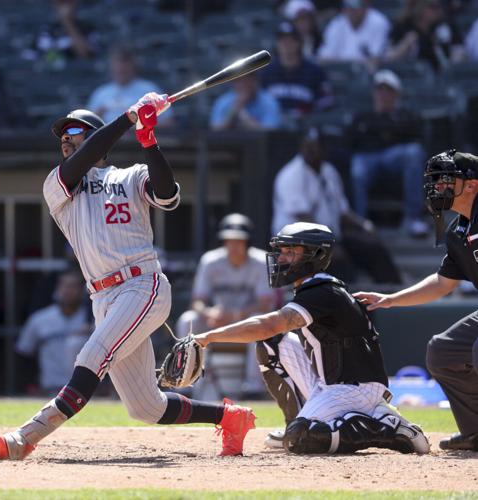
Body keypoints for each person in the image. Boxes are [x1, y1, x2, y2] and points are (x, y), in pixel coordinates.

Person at [0, 94, 255, 461]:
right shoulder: (58, 186)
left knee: (93, 353)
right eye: (61, 136)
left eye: (75, 132)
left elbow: (167, 193)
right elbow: (85, 156)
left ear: (98, 138)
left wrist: (148, 141)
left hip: (142, 285)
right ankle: (230, 417)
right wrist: (129, 117)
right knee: (145, 406)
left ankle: (28, 434)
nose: (65, 139)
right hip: (103, 297)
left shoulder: (129, 176)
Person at [193, 222, 430, 455]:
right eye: (282, 252)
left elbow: (268, 324)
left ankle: (387, 428)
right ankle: (298, 421)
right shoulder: (314, 287)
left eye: (290, 252)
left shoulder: (322, 291)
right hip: (331, 383)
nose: (282, 258)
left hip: (356, 388)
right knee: (273, 343)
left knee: (301, 439)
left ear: (314, 255)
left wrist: (207, 337)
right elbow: (272, 333)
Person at [355, 150, 478, 452]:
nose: (438, 188)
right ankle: (476, 432)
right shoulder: (458, 230)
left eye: (446, 180)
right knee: (444, 351)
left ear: (472, 185)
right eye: (435, 182)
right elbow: (442, 283)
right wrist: (390, 300)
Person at [273, 128, 402, 284]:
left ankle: (394, 294)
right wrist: (328, 244)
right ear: (302, 147)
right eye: (308, 146)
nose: (312, 151)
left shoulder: (329, 171)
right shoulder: (290, 175)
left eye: (316, 146)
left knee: (373, 248)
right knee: (338, 260)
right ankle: (350, 303)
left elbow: (342, 212)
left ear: (325, 149)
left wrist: (364, 226)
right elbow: (304, 221)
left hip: (331, 236)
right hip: (299, 244)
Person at [175, 213, 275, 398]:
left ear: (248, 242)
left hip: (247, 321)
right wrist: (207, 312)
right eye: (229, 241)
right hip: (216, 320)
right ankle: (187, 381)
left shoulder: (261, 261)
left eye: (239, 241)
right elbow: (197, 301)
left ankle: (254, 389)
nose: (234, 246)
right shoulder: (211, 261)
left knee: (260, 324)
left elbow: (266, 304)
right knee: (187, 321)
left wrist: (235, 315)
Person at [349, 69, 428, 238]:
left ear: (397, 94)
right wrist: (386, 131)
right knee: (357, 169)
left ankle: (413, 218)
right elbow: (353, 140)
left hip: (394, 157)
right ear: (374, 93)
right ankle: (361, 223)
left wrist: (379, 130)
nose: (383, 94)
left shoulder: (406, 115)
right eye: (380, 90)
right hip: (368, 156)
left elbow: (414, 135)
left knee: (414, 153)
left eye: (388, 90)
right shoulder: (363, 116)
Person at [16, 270, 93, 395]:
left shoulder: (94, 318)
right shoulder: (40, 319)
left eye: (73, 286)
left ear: (82, 291)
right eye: (64, 285)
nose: (68, 291)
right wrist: (29, 385)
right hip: (49, 389)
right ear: (57, 288)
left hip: (85, 391)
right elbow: (24, 354)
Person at [262, 21, 332, 120]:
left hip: (305, 125)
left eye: (291, 40)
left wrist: (310, 111)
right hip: (272, 126)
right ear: (277, 43)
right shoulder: (267, 72)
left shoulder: (314, 71)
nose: (287, 44)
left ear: (299, 43)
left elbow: (326, 100)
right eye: (282, 40)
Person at [86, 45, 169, 124]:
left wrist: (142, 125)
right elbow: (87, 126)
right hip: (109, 137)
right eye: (118, 62)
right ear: (111, 65)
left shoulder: (149, 90)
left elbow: (168, 122)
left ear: (133, 65)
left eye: (125, 62)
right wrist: (97, 117)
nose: (121, 67)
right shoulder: (101, 93)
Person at [387, 0, 464, 72]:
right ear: (420, 7)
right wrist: (405, 44)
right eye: (433, 7)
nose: (438, 11)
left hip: (442, 76)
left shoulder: (446, 25)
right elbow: (389, 58)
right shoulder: (402, 26)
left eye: (439, 6)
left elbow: (459, 51)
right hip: (412, 76)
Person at [22, 0, 99, 70]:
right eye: (60, 3)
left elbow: (86, 55)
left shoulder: (87, 29)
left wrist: (67, 22)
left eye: (68, 2)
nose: (64, 7)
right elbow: (29, 59)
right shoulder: (44, 30)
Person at [317, 0, 390, 71]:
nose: (352, 11)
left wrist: (343, 63)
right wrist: (352, 64)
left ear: (366, 6)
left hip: (364, 75)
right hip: (339, 74)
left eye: (356, 6)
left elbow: (374, 61)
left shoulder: (378, 22)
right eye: (349, 7)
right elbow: (323, 59)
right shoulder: (336, 24)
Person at [210, 72, 282, 131]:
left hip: (261, 147)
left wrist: (244, 115)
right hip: (229, 146)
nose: (243, 84)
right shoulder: (224, 100)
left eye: (247, 80)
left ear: (255, 81)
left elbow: (271, 131)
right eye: (238, 81)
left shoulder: (268, 101)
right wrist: (233, 112)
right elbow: (215, 129)